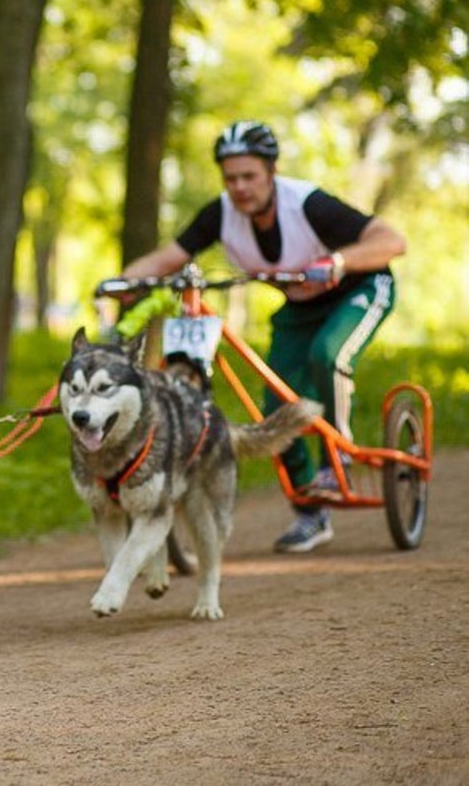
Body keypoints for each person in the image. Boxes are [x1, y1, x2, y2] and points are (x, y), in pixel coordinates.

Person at [120, 120, 407, 553]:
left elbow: (392, 241)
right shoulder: (220, 213)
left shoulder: (307, 204)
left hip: (360, 291)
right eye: (231, 177)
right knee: (276, 409)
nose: (239, 187)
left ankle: (339, 459)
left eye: (249, 176)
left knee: (327, 354)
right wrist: (121, 282)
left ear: (270, 172)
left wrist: (339, 262)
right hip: (300, 309)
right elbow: (169, 258)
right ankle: (311, 516)